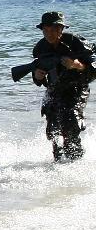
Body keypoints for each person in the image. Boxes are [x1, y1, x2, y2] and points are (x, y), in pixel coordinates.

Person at [31, 11, 96, 161]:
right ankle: (58, 162)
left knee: (71, 119)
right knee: (53, 129)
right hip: (54, 90)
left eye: (54, 29)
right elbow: (37, 76)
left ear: (62, 29)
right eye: (45, 30)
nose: (49, 34)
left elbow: (93, 67)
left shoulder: (76, 42)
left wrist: (77, 65)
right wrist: (37, 75)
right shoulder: (39, 48)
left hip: (77, 88)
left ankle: (76, 160)